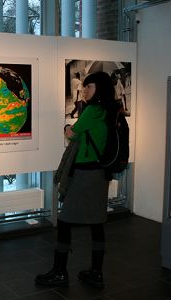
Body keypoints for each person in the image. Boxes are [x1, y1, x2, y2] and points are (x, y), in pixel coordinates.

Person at [35, 72, 118, 289]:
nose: (85, 90)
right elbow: (87, 135)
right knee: (97, 222)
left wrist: (65, 128)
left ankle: (60, 272)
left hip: (85, 175)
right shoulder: (110, 110)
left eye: (89, 87)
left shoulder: (92, 110)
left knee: (64, 221)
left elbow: (73, 134)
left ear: (98, 87)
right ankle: (96, 272)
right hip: (101, 174)